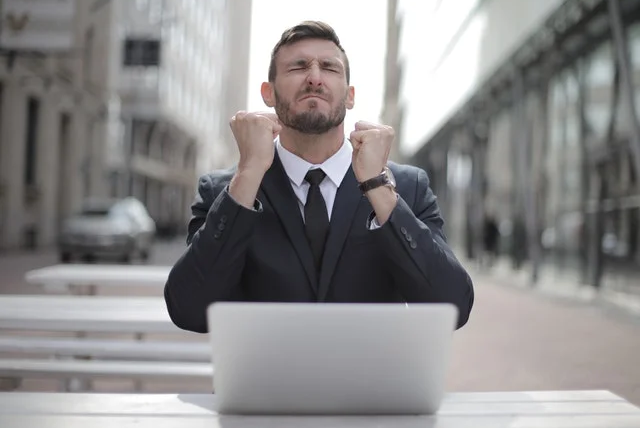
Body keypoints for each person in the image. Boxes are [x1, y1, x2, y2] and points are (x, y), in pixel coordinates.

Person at [164, 21, 474, 333]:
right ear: (267, 93)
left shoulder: (406, 187)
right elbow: (189, 309)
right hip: (262, 383)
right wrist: (249, 173)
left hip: (373, 382)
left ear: (350, 96)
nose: (314, 78)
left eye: (329, 68)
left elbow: (452, 307)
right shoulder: (225, 191)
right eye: (298, 67)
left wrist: (377, 186)